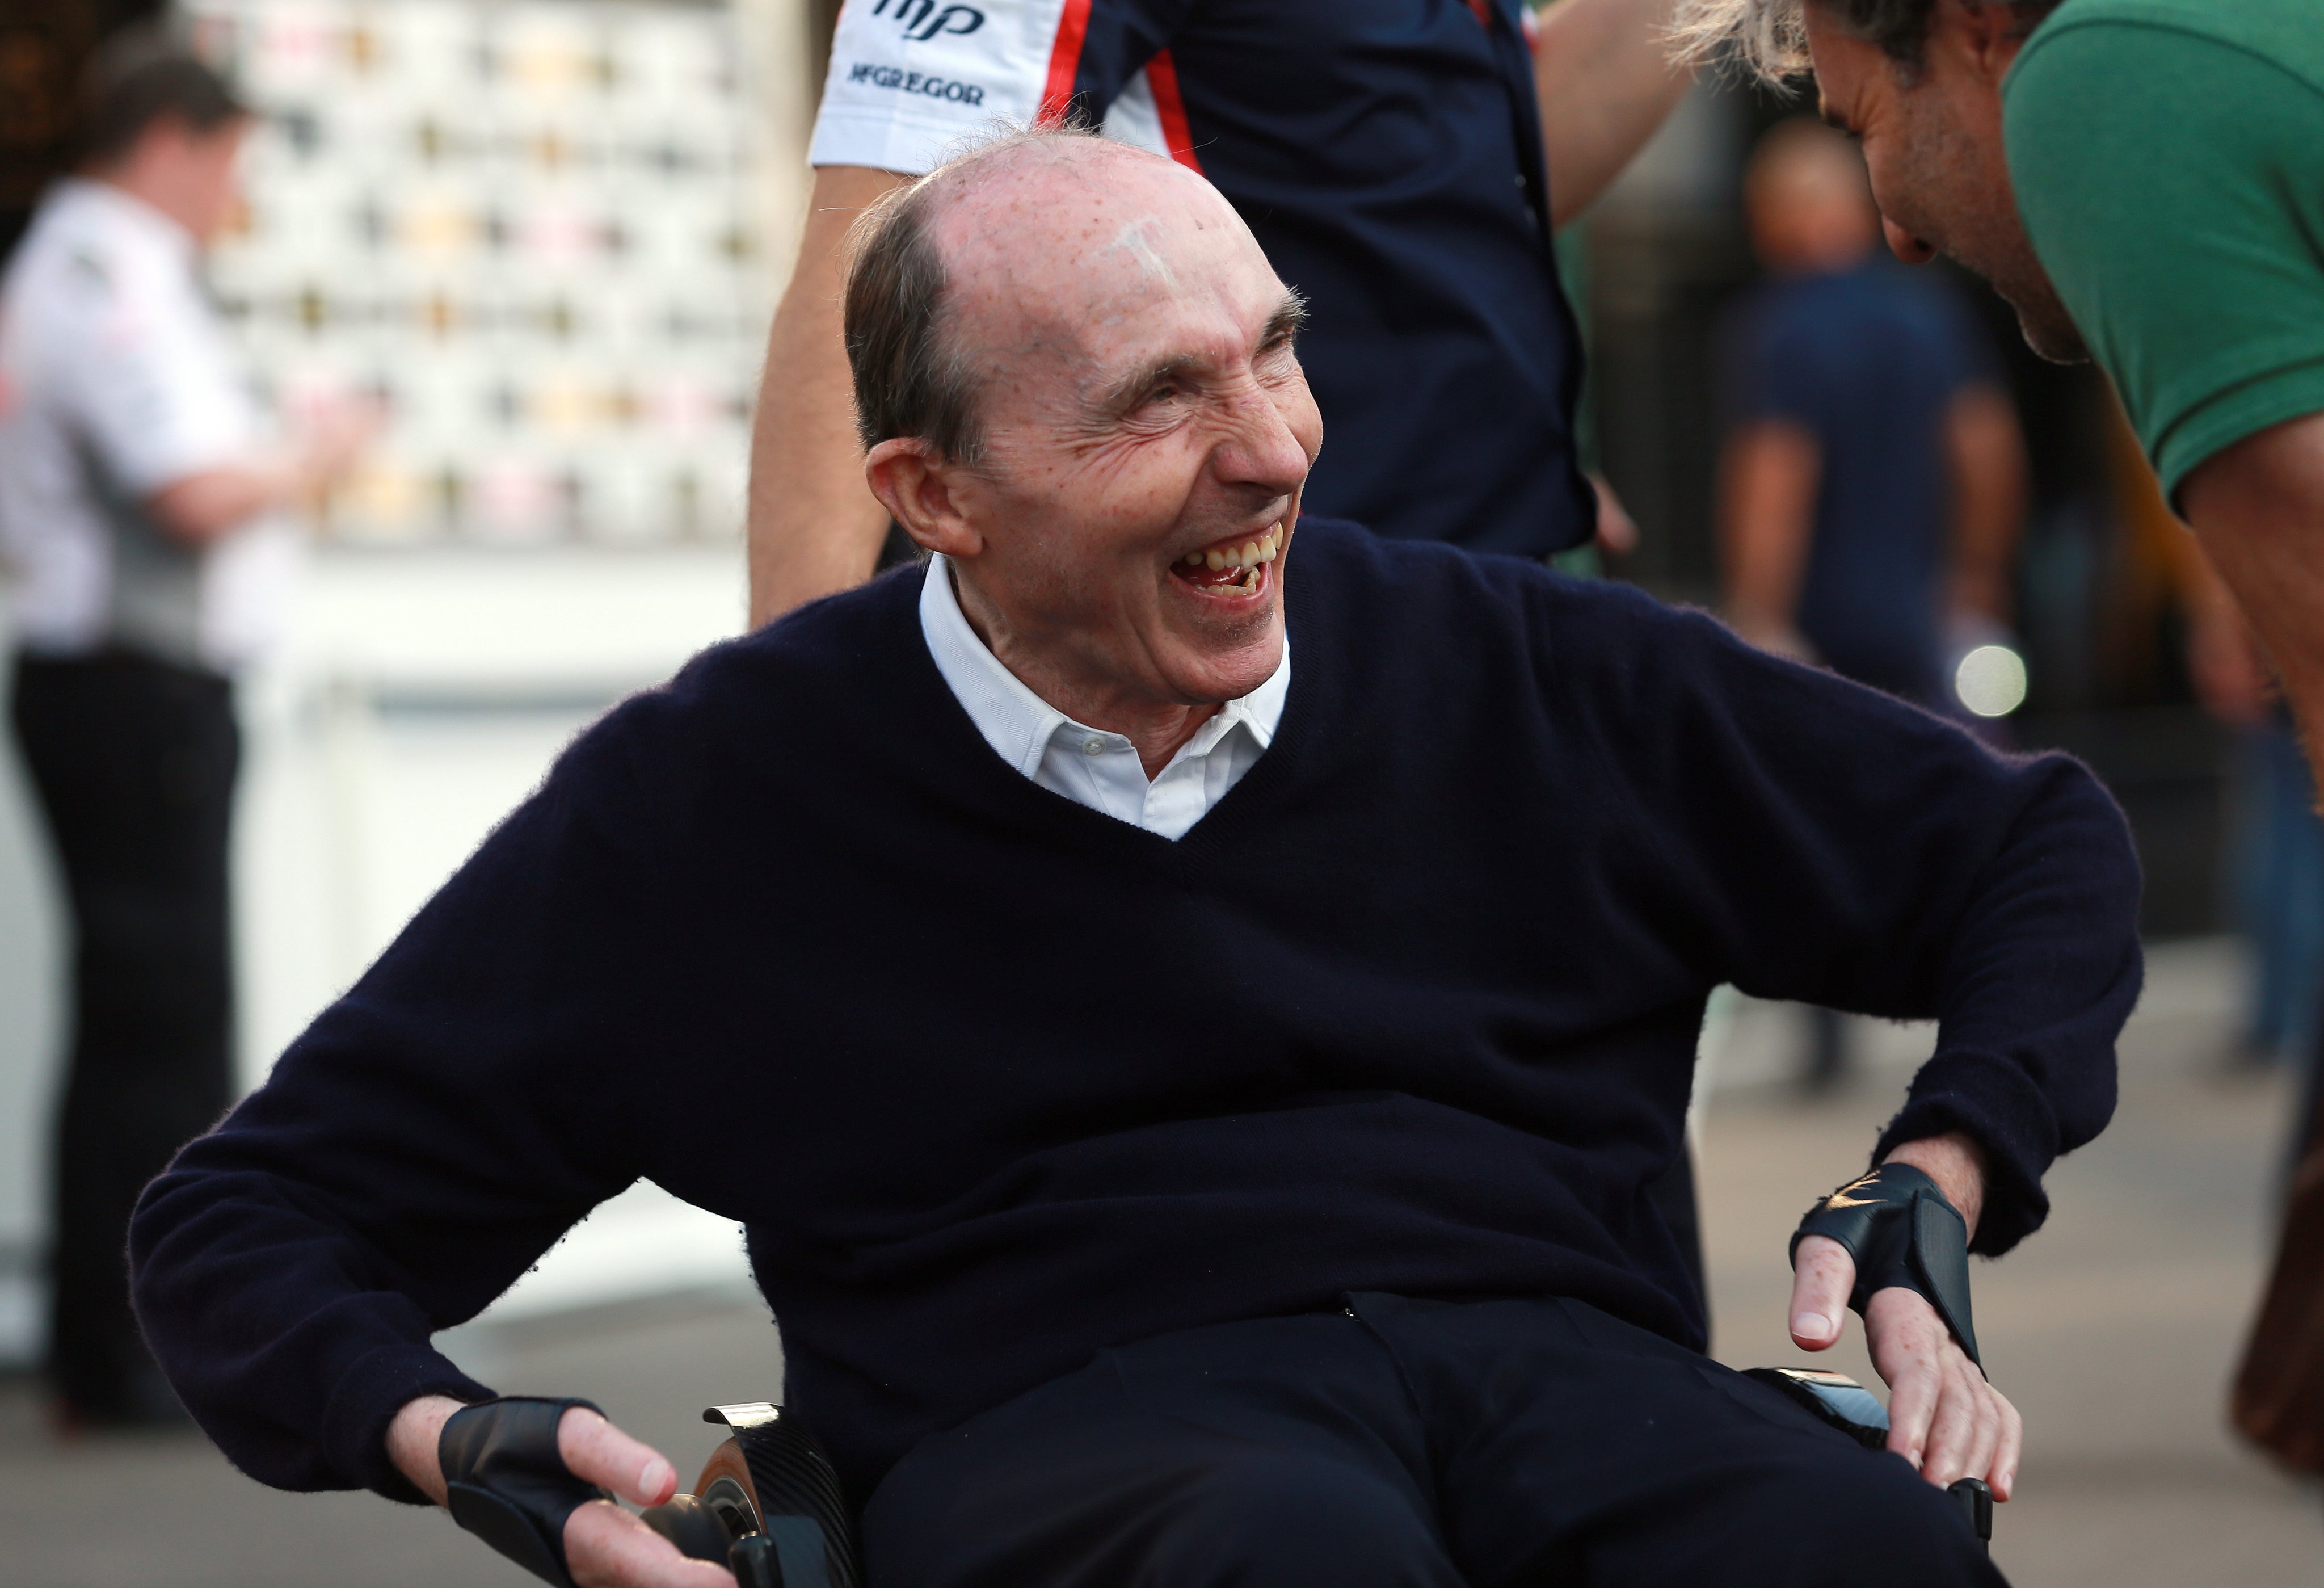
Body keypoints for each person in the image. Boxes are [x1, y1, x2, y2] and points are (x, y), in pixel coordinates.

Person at [132, 131, 2139, 1588]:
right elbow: (248, 1224)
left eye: (1271, 351)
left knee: (1839, 1545)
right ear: (936, 497)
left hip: (1573, 1377)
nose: (1268, 447)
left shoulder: (1507, 662)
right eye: (1158, 398)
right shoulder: (730, 796)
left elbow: (2033, 846)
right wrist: (460, 1440)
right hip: (1063, 1436)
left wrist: (1937, 1175)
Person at [747, 0, 1697, 624]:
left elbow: (1443, 186)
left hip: (1464, 595)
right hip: (1234, 636)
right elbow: (865, 267)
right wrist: (792, 733)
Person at [0, 31, 370, 1428]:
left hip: (120, 681)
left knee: (136, 1017)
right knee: (160, 1023)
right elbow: (192, 488)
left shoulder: (78, 263)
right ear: (174, 144)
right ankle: (140, 1347)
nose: (234, 202)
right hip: (136, 684)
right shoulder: (108, 274)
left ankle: (121, 1343)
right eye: (230, 170)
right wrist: (319, 459)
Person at [1716, 115, 2024, 1089]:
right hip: (1919, 613)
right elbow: (1988, 455)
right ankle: (1989, 1007)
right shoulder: (1931, 316)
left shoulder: (1778, 328)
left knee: (1812, 832)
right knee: (1955, 811)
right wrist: (1974, 574)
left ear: (1778, 218)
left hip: (1824, 620)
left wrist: (1758, 615)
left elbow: (1777, 485)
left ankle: (1829, 1037)